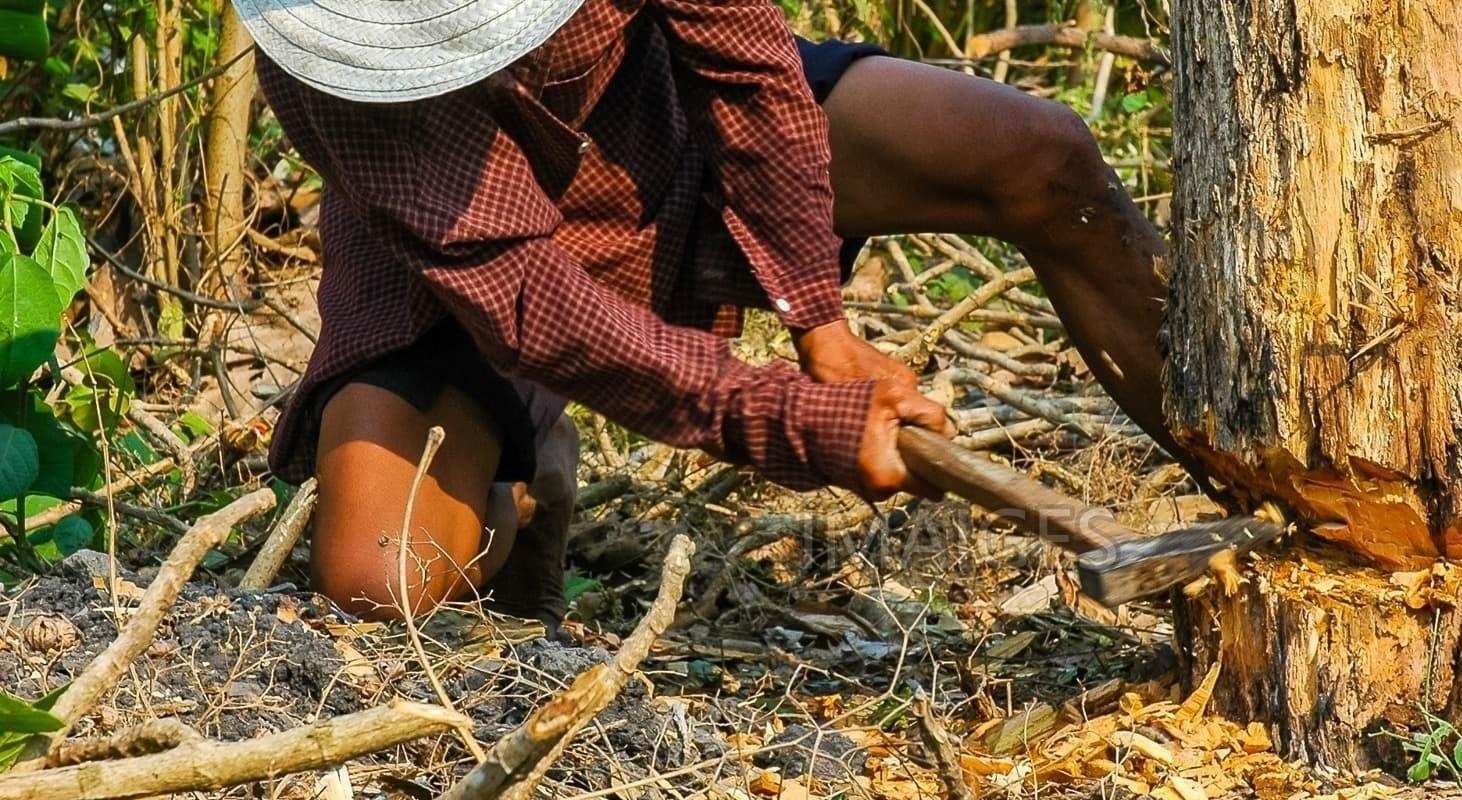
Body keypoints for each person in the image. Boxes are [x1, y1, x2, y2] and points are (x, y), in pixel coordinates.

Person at [233, 0, 1182, 630]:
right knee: (376, 579)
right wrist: (787, 418)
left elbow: (749, 74)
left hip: (669, 130)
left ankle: (1260, 478)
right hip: (465, 258)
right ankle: (521, 459)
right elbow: (523, 293)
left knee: (1039, 156)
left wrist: (821, 324)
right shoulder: (322, 56)